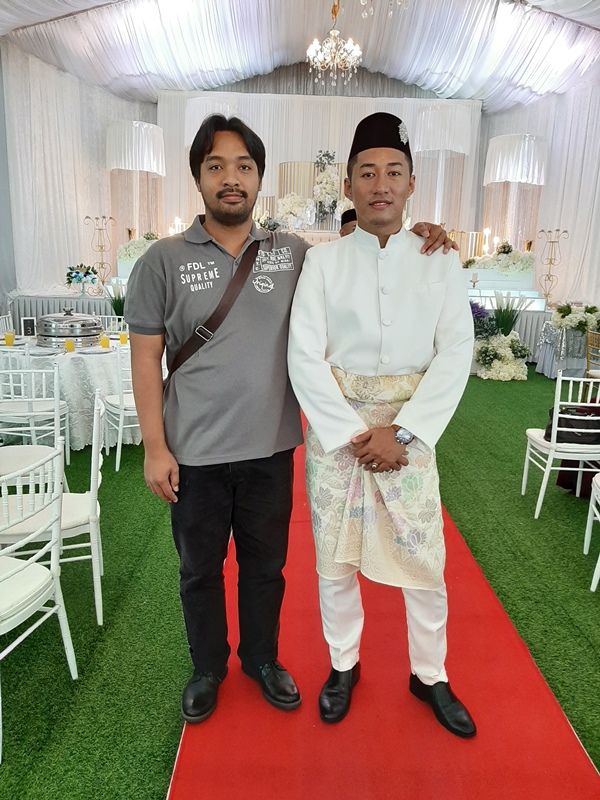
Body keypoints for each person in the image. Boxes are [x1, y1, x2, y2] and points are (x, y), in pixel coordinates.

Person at [124, 112, 457, 725]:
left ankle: (263, 660)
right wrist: (154, 446)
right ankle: (209, 668)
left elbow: (401, 287)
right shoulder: (165, 260)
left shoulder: (294, 253)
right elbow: (148, 358)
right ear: (198, 176)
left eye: (244, 167)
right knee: (201, 570)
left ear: (260, 178)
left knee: (268, 568)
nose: (231, 178)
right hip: (197, 449)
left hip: (270, 449)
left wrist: (425, 234)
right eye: (217, 167)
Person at [287, 112, 476, 738]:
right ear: (348, 185)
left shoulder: (440, 261)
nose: (380, 184)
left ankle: (430, 674)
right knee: (335, 559)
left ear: (412, 184)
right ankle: (343, 666)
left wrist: (406, 431)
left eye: (394, 172)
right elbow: (303, 354)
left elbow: (456, 352)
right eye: (367, 173)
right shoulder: (323, 262)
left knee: (424, 557)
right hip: (339, 438)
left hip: (409, 437)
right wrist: (352, 434)